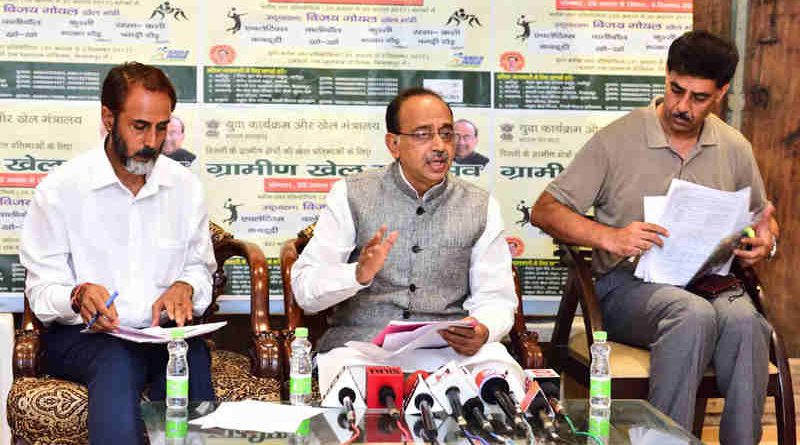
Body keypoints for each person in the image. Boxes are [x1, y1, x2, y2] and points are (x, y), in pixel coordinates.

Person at [530, 31, 778, 444]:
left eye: (698, 97)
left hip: (707, 283)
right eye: (675, 89)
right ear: (665, 76)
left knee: (748, 324)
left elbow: (761, 218)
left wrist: (764, 241)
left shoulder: (734, 147)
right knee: (690, 316)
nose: (682, 106)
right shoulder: (616, 139)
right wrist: (609, 236)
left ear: (720, 93)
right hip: (627, 288)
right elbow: (545, 210)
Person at [20, 62, 216, 445]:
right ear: (108, 118)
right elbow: (41, 291)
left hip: (163, 335)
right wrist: (76, 296)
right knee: (117, 361)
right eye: (140, 126)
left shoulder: (185, 188)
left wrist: (185, 286)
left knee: (190, 359)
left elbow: (200, 267)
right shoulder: (60, 190)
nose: (152, 141)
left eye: (162, 128)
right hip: (86, 337)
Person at [291, 88, 522, 395]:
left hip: (450, 353)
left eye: (446, 134)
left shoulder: (480, 205)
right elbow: (306, 290)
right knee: (355, 395)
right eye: (423, 134)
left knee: (502, 378)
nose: (440, 146)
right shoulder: (351, 194)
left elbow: (497, 297)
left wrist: (484, 329)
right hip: (364, 351)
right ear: (394, 144)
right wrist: (356, 274)